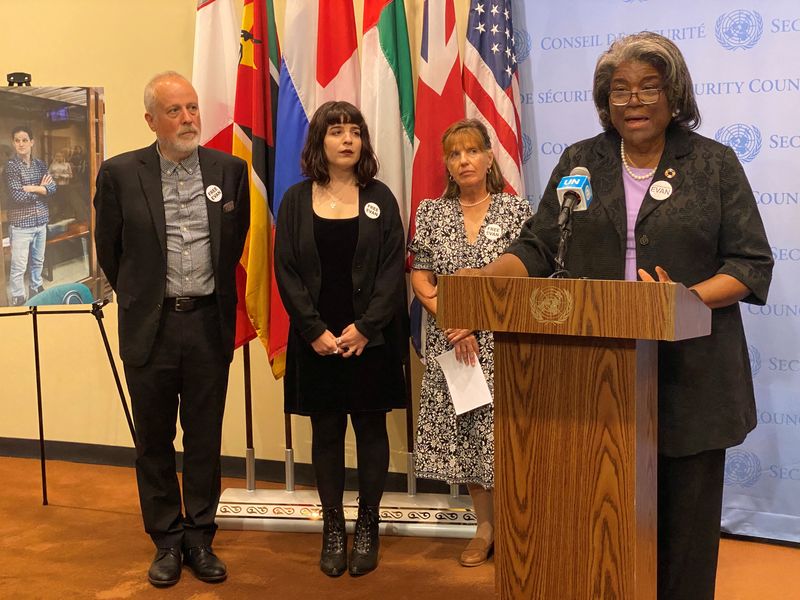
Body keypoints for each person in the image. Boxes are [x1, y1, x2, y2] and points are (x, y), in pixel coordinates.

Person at [469, 33, 773, 600]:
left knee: (683, 538)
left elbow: (751, 264)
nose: (633, 100)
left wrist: (685, 299)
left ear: (674, 95)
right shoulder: (581, 161)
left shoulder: (712, 163)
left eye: (647, 87)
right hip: (592, 382)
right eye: (619, 90)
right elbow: (538, 249)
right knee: (601, 527)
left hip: (692, 375)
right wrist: (487, 279)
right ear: (605, 102)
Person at [93, 71, 250, 588]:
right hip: (151, 327)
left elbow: (236, 241)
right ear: (150, 120)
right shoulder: (119, 173)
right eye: (175, 110)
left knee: (204, 438)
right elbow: (111, 253)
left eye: (192, 108)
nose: (188, 119)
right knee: (154, 441)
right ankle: (165, 540)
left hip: (207, 322)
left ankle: (200, 538)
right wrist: (143, 299)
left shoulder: (228, 171)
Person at [275, 100, 407, 578]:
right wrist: (314, 331)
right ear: (319, 142)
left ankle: (367, 524)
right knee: (326, 433)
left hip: (370, 338)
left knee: (372, 432)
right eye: (336, 132)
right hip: (317, 342)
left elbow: (394, 269)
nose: (347, 139)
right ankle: (333, 528)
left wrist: (365, 327)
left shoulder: (381, 198)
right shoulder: (294, 200)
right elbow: (286, 270)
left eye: (354, 131)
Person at [408, 119, 531, 567]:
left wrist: (479, 320)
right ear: (446, 163)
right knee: (468, 438)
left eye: (472, 151)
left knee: (504, 437)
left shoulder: (517, 212)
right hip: (453, 346)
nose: (464, 161)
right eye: (455, 154)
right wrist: (454, 317)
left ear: (488, 156)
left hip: (502, 344)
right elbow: (421, 274)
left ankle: (516, 527)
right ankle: (483, 528)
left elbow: (526, 277)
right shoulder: (431, 212)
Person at [4, 126, 56, 305]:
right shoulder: (11, 167)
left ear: (32, 142)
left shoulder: (40, 164)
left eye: (25, 140)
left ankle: (36, 290)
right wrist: (41, 190)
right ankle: (18, 298)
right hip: (21, 225)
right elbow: (17, 196)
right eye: (17, 140)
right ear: (13, 143)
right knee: (18, 266)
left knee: (37, 261)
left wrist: (32, 188)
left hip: (41, 222)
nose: (21, 144)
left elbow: (52, 188)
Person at [47, 152, 73, 222]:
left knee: (65, 200)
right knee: (56, 200)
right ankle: (57, 216)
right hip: (55, 185)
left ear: (63, 157)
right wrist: (53, 176)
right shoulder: (52, 165)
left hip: (65, 185)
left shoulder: (67, 165)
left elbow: (70, 175)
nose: (59, 158)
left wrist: (63, 176)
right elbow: (48, 174)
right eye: (57, 156)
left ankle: (64, 214)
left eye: (60, 156)